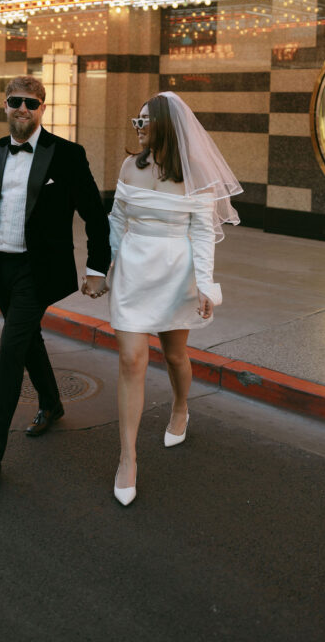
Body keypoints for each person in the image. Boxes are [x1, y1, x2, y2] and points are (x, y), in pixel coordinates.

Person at [0, 75, 110, 497]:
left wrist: (97, 267)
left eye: (31, 103)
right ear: (4, 106)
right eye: (15, 102)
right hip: (0, 267)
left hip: (38, 271)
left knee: (10, 352)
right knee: (27, 341)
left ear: (43, 108)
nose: (22, 109)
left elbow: (95, 217)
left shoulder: (67, 155)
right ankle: (52, 402)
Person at [107, 91, 242, 505]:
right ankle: (127, 458)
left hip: (175, 272)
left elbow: (202, 233)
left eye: (146, 121)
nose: (140, 128)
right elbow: (117, 219)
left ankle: (181, 406)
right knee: (132, 359)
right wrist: (107, 267)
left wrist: (206, 284)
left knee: (175, 355)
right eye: (138, 121)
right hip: (134, 270)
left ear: (166, 126)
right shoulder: (131, 165)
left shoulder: (195, 175)